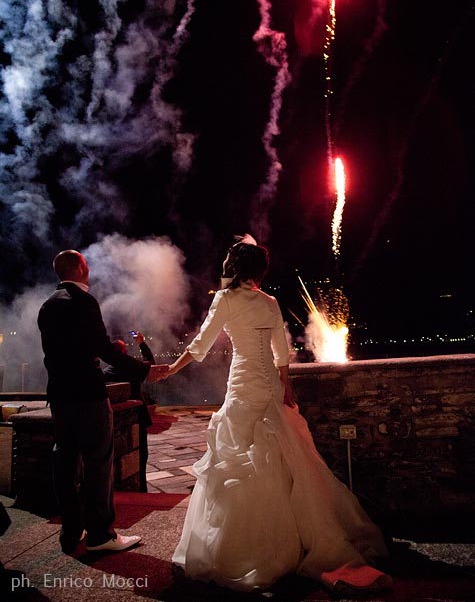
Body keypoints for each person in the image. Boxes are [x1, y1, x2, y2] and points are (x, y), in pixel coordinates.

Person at [157, 236, 393, 595]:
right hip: (267, 381)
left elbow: (201, 344)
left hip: (243, 383)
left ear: (232, 268)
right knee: (285, 455)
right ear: (259, 271)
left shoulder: (225, 299)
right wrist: (287, 385)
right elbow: (280, 350)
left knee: (237, 456)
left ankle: (252, 547)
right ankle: (297, 538)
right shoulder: (269, 301)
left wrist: (172, 368)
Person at [37, 250, 167, 554]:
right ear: (82, 268)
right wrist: (146, 370)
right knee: (98, 464)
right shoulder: (84, 301)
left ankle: (71, 533)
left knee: (65, 463)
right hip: (88, 396)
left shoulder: (47, 306)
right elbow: (104, 350)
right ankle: (100, 534)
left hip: (59, 395)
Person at [105, 333, 156, 492]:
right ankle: (142, 491)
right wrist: (141, 343)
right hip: (138, 417)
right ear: (124, 353)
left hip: (112, 421)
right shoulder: (132, 368)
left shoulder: (106, 373)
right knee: (141, 458)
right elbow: (150, 364)